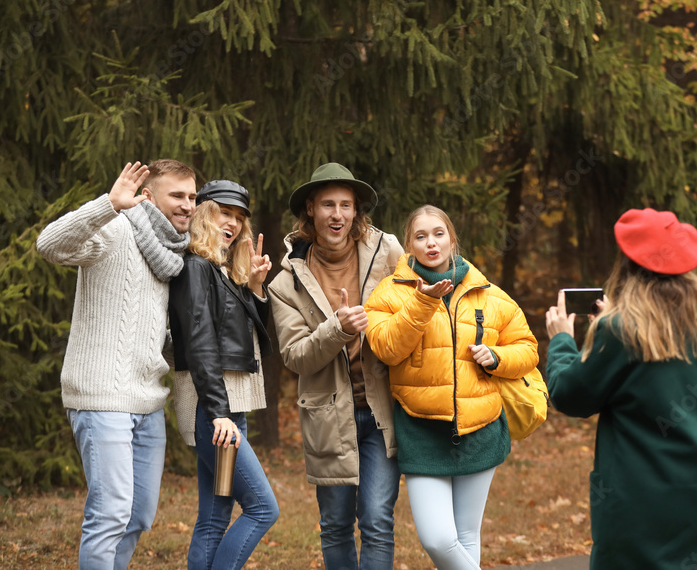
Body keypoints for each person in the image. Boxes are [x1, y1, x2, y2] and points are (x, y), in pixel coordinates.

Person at [544, 208, 697, 570]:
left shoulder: (619, 332)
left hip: (641, 508)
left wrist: (562, 341)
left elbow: (570, 396)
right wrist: (606, 328)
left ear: (628, 267)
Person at [36, 159, 197, 570]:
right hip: (102, 395)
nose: (187, 205)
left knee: (138, 515)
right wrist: (109, 204)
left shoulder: (171, 254)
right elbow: (49, 244)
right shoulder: (117, 227)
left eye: (192, 196)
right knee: (109, 515)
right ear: (148, 196)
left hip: (147, 402)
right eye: (177, 195)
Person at [364, 205, 539, 570]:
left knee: (467, 536)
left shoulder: (487, 293)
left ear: (452, 238)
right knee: (438, 539)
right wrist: (424, 301)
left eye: (439, 233)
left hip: (481, 428)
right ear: (409, 245)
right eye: (421, 236)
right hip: (421, 430)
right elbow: (387, 348)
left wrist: (497, 357)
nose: (431, 243)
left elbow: (528, 349)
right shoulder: (388, 294)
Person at [267, 163, 404, 570]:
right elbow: (294, 356)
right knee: (336, 524)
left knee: (378, 520)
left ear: (357, 211)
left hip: (382, 412)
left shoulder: (389, 253)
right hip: (328, 415)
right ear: (311, 209)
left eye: (346, 205)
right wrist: (337, 329)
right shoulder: (287, 280)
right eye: (328, 204)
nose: (337, 214)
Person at [168, 180, 280, 570]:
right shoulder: (197, 267)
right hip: (215, 411)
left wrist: (254, 288)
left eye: (238, 217)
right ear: (203, 213)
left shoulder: (221, 271)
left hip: (229, 408)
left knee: (215, 517)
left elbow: (245, 338)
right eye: (223, 213)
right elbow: (199, 341)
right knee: (263, 509)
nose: (232, 223)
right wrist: (218, 414)